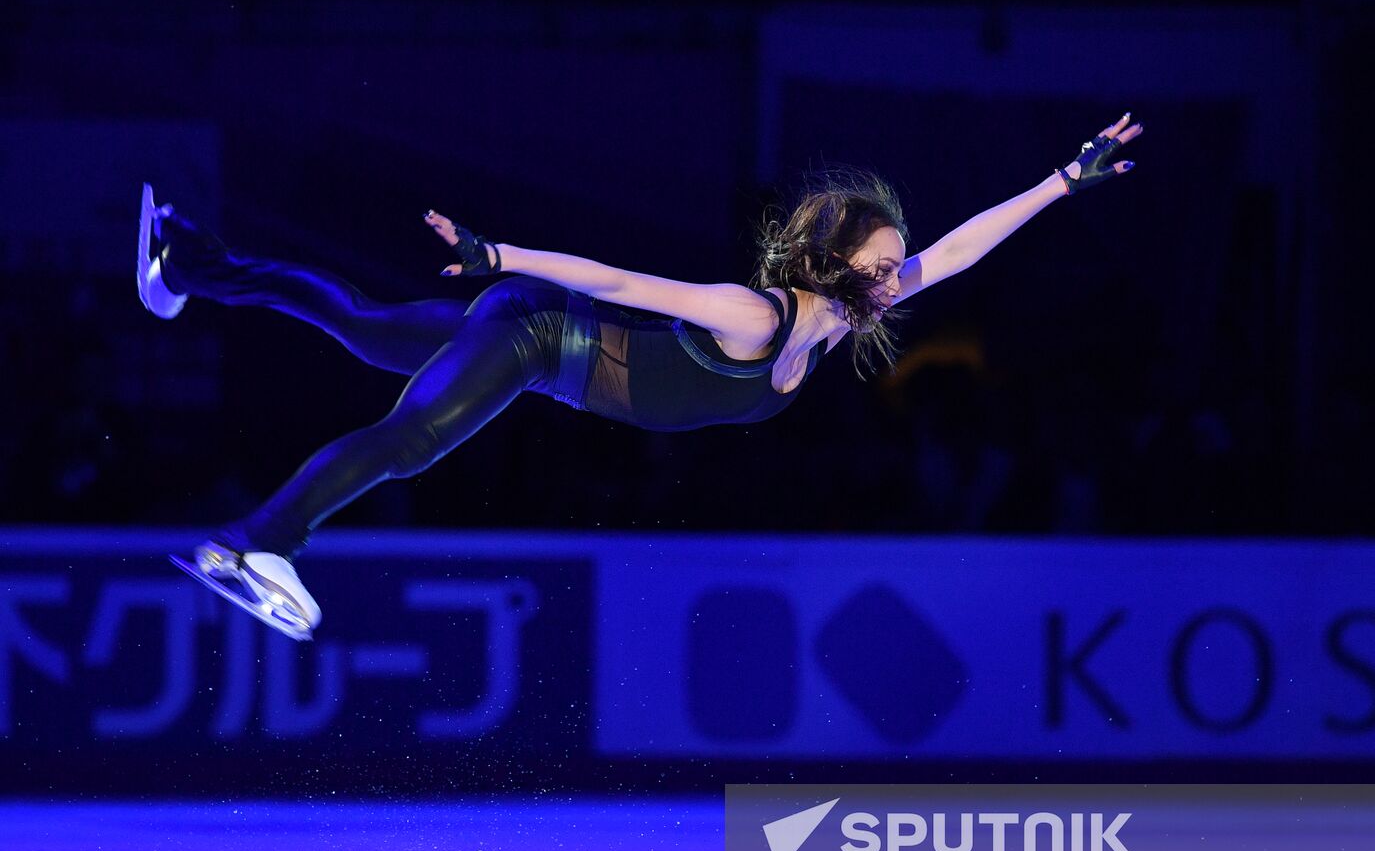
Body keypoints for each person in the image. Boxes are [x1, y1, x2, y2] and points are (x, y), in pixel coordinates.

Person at [138, 114, 1143, 639]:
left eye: (897, 261)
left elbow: (962, 250)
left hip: (538, 351)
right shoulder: (758, 315)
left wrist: (1063, 180)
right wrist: (504, 258)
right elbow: (622, 279)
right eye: (885, 262)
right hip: (531, 336)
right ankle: (255, 541)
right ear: (837, 263)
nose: (900, 272)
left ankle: (189, 261)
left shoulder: (841, 319)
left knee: (360, 325)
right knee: (408, 440)